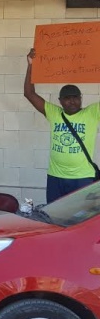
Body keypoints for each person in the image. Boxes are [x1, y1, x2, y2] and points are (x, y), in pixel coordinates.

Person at [24, 48, 100, 203]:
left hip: (82, 177)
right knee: (54, 216)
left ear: (81, 98)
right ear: (59, 101)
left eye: (75, 98)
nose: (72, 101)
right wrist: (31, 65)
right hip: (56, 176)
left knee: (80, 218)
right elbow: (29, 94)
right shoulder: (54, 113)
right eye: (67, 98)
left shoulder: (92, 113)